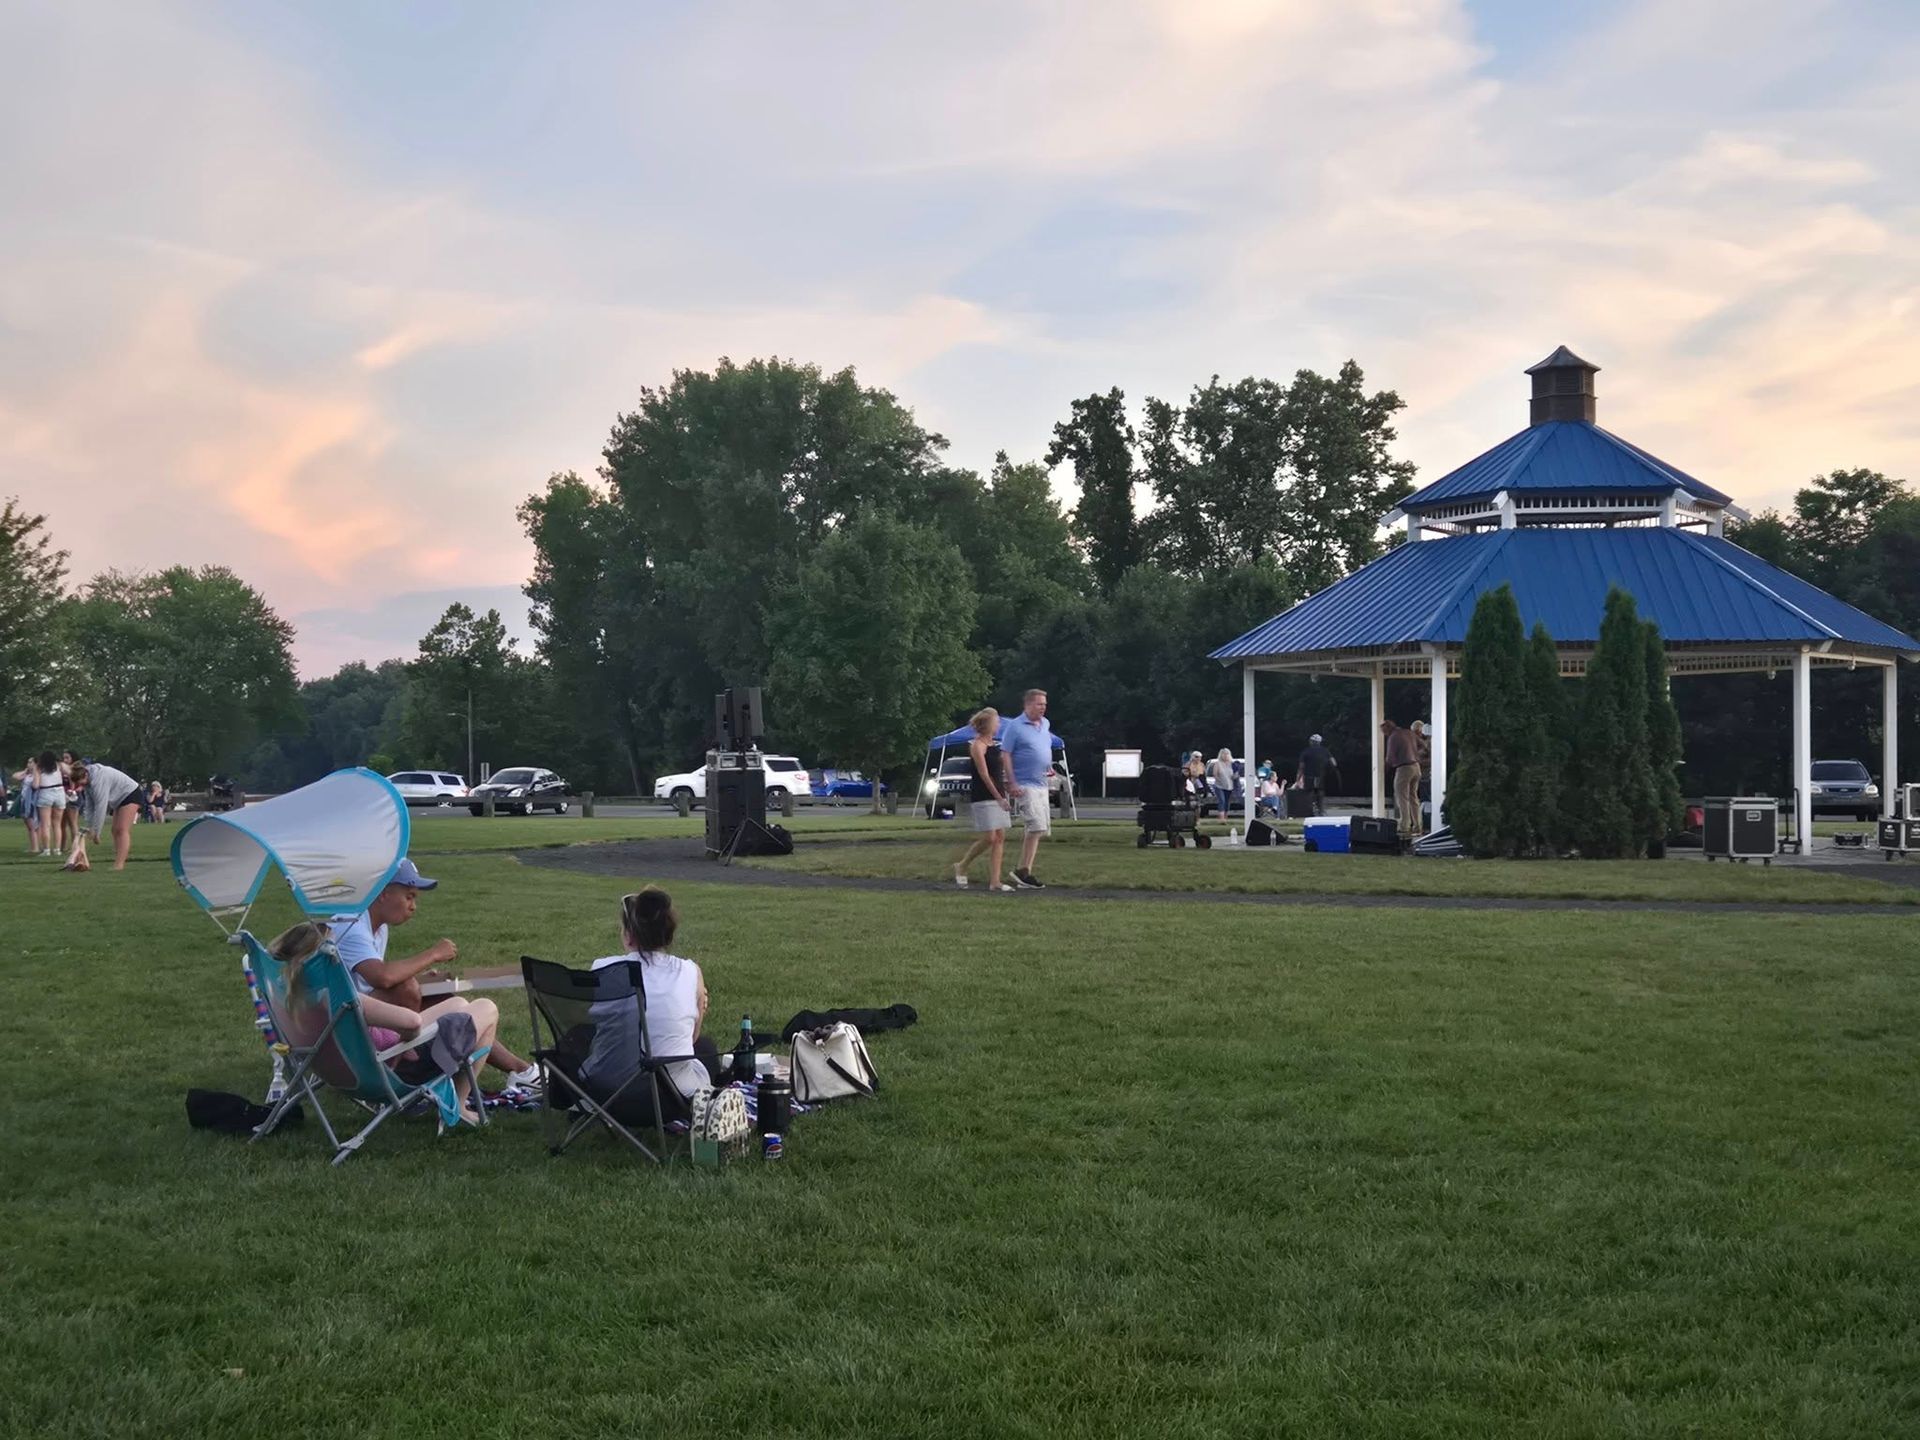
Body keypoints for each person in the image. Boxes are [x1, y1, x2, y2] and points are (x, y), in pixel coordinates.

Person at [328, 859, 543, 1092]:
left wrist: (419, 978)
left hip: (353, 1015)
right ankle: (409, 1068)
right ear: (383, 893)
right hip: (350, 1028)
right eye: (409, 896)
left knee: (440, 998)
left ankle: (520, 1070)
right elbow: (382, 978)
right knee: (423, 994)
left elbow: (368, 984)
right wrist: (432, 954)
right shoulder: (352, 927)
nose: (413, 906)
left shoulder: (375, 926)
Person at [270, 921, 500, 1127]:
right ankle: (458, 1104)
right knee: (487, 1007)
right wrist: (407, 1043)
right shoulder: (343, 998)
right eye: (334, 951)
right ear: (323, 959)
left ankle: (457, 1100)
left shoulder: (293, 996)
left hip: (345, 1068)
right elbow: (411, 1022)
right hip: (394, 1069)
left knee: (459, 1003)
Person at [587, 888, 726, 1119]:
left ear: (629, 935)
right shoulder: (690, 972)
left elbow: (598, 1027)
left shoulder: (602, 969)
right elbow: (690, 1039)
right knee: (706, 1048)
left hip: (603, 1094)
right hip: (668, 1099)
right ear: (669, 935)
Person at [951, 707, 1014, 891]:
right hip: (983, 795)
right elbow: (984, 775)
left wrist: (1007, 786)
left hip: (999, 793)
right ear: (988, 724)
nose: (999, 724)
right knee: (990, 837)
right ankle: (962, 865)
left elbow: (998, 771)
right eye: (996, 721)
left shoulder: (996, 745)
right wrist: (998, 797)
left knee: (1000, 837)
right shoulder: (977, 746)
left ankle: (995, 881)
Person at [1003, 688, 1055, 889]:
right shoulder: (1015, 727)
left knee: (1040, 828)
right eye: (1039, 704)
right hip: (1025, 783)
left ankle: (1024, 870)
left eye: (1044, 704)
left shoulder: (1045, 724)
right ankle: (1022, 871)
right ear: (1028, 705)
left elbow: (1043, 747)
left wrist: (1047, 765)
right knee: (1037, 825)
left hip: (1042, 781)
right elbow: (1006, 754)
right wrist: (1011, 781)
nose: (1043, 708)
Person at [64, 758, 142, 870]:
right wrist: (89, 826)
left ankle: (119, 865)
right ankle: (118, 858)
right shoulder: (88, 782)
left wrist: (96, 832)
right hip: (119, 798)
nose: (79, 785)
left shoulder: (99, 778)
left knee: (121, 829)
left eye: (80, 782)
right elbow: (90, 806)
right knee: (114, 830)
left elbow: (101, 806)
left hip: (131, 793)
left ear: (85, 775)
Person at [1384, 719, 1422, 838]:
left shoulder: (1393, 737)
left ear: (1387, 728)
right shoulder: (1408, 732)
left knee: (1402, 798)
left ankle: (1404, 826)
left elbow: (1389, 759)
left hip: (1404, 768)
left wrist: (1384, 772)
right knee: (1413, 798)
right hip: (1416, 767)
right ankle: (1417, 826)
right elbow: (1424, 745)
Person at [1295, 733, 1335, 818]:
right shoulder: (1325, 751)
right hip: (1321, 776)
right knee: (1320, 792)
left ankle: (1310, 812)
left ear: (1311, 742)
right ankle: (1321, 811)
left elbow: (1301, 766)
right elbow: (1334, 763)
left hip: (1309, 776)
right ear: (1319, 742)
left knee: (1309, 793)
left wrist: (1298, 779)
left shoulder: (1306, 751)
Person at [12, 758, 43, 854]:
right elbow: (15, 776)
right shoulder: (27, 774)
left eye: (30, 762)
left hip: (31, 802)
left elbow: (35, 785)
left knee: (33, 826)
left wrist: (35, 772)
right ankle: (34, 846)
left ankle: (35, 848)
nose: (28, 764)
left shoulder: (38, 774)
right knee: (30, 826)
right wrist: (25, 771)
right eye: (28, 762)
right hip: (24, 800)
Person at [1209, 748, 1236, 818]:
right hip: (1219, 786)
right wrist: (1219, 780)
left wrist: (1235, 776)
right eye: (1224, 754)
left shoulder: (1232, 764)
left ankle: (1226, 815)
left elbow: (1235, 774)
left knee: (1227, 802)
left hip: (1229, 786)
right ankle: (1221, 817)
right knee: (1222, 800)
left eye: (1227, 754)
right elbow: (1215, 774)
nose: (1225, 755)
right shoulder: (1217, 764)